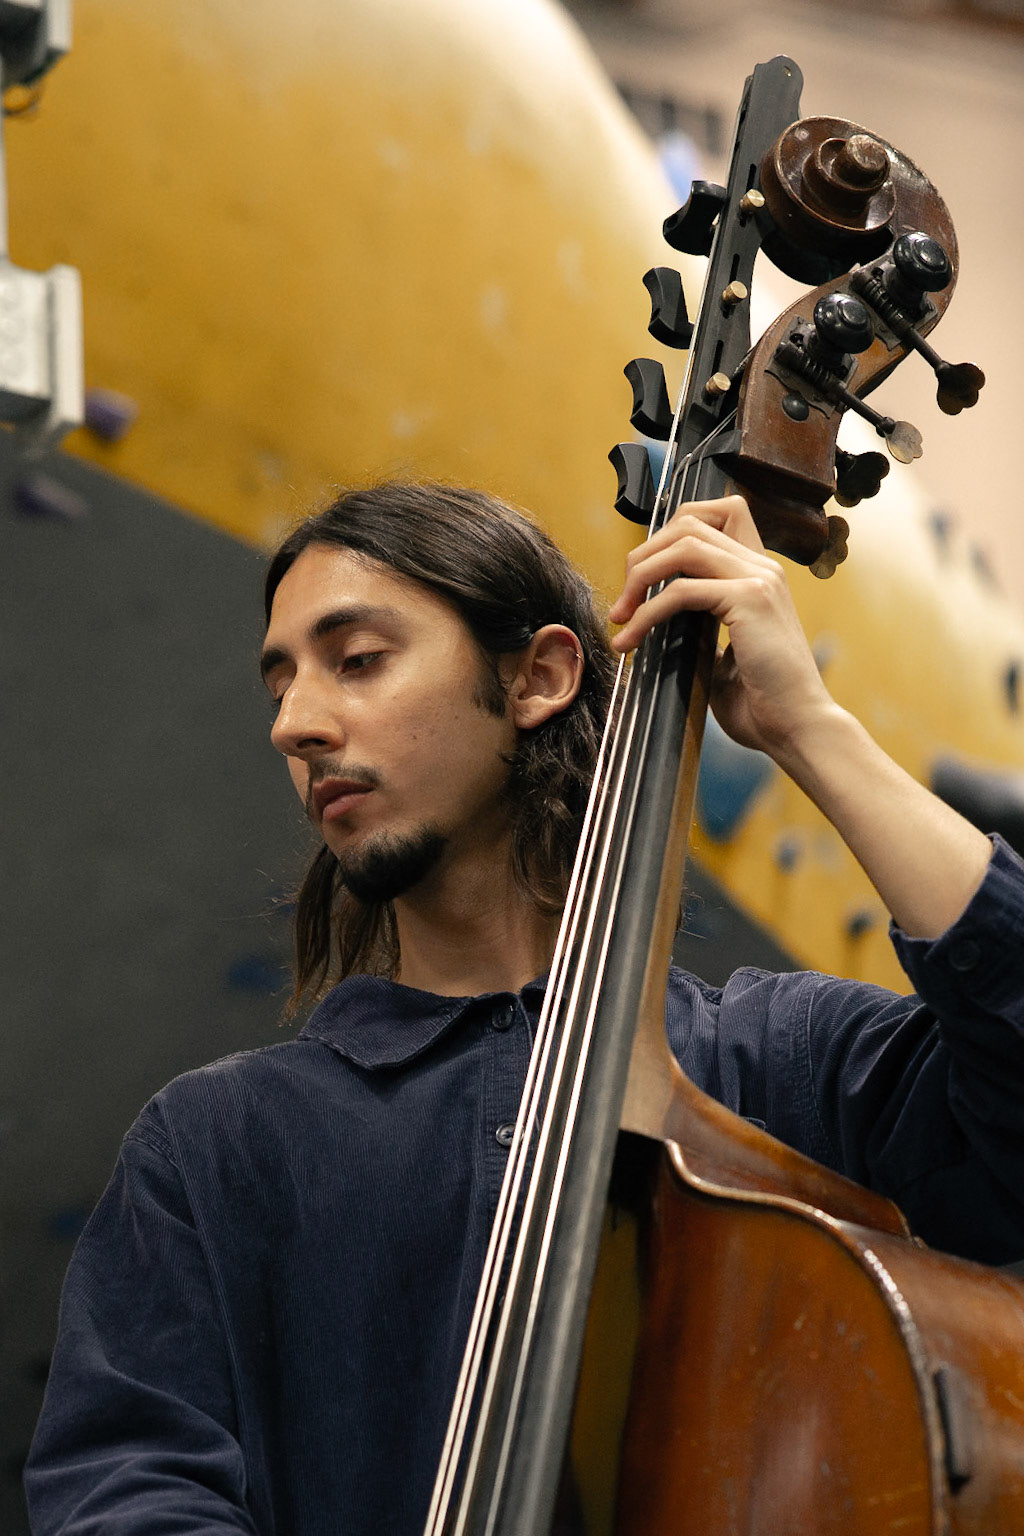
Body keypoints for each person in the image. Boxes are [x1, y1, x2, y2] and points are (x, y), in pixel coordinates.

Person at [25, 482, 1024, 1535]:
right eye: (279, 686)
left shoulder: (783, 1067)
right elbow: (122, 1499)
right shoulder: (216, 1147)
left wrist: (807, 726)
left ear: (539, 676)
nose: (296, 725)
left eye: (356, 660)